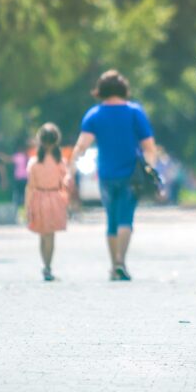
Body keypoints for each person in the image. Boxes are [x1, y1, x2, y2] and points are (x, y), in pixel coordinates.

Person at [67, 70, 156, 281]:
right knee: (126, 218)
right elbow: (149, 147)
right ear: (123, 88)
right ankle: (120, 262)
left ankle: (113, 265)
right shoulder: (135, 112)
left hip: (106, 174)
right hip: (131, 175)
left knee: (112, 220)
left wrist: (70, 172)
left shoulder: (94, 115)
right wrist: (150, 169)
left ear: (101, 90)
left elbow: (81, 146)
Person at [25, 123, 70, 282]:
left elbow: (30, 186)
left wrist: (27, 207)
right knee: (50, 235)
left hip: (39, 197)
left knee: (43, 235)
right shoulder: (60, 161)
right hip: (54, 198)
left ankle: (46, 265)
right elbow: (65, 183)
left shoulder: (34, 162)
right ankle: (48, 266)